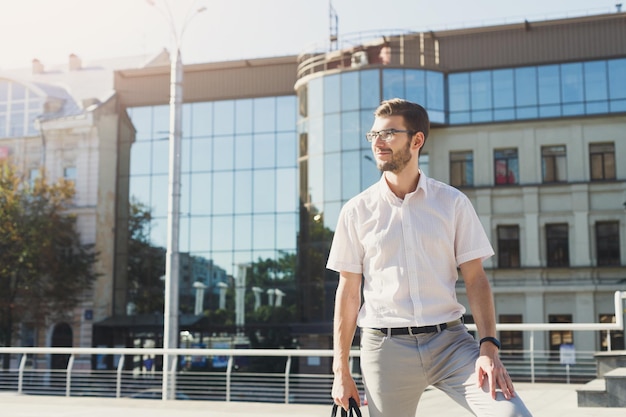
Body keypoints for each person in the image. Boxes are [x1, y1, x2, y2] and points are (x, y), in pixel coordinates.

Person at [327, 99, 532, 417]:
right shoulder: (356, 211)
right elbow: (348, 292)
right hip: (385, 349)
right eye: (374, 135)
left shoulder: (452, 203)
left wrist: (488, 347)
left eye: (389, 133)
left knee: (512, 414)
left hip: (451, 342)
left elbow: (476, 279)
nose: (378, 142)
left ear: (417, 139)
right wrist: (340, 369)